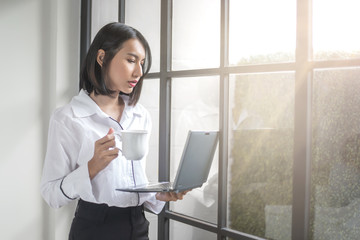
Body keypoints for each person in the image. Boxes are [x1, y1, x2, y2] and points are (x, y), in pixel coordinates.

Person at [40, 22, 188, 240]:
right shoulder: (68, 118)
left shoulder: (140, 115)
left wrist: (157, 195)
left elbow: (130, 183)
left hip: (138, 226)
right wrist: (90, 168)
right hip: (95, 229)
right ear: (102, 58)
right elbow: (51, 194)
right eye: (130, 60)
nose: (139, 71)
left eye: (142, 63)